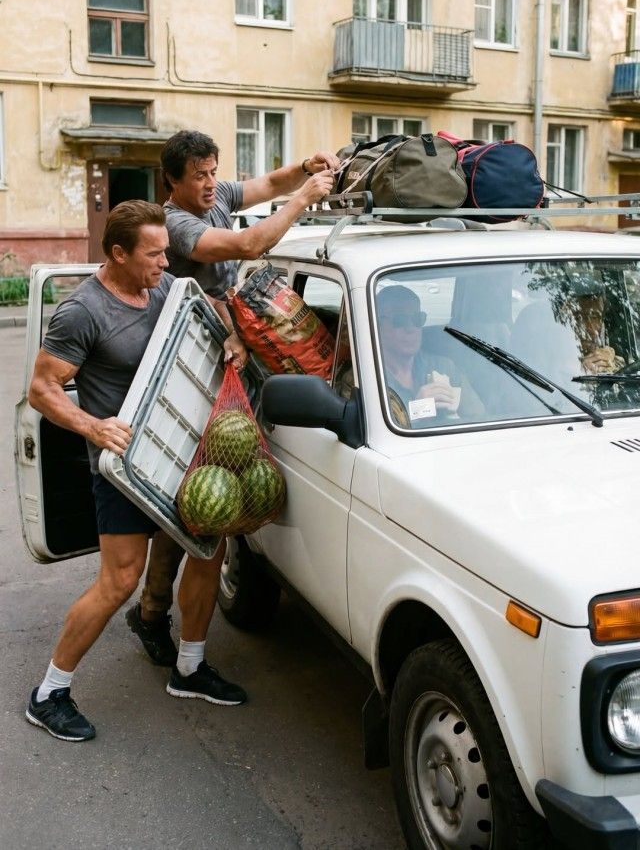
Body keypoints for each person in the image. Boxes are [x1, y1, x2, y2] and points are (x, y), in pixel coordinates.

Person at [25, 201, 246, 743]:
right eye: (153, 254)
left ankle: (190, 668)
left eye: (166, 252)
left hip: (179, 451)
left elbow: (205, 299)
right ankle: (49, 692)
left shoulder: (165, 288)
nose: (165, 264)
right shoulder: (83, 311)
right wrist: (93, 427)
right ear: (118, 253)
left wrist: (231, 335)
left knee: (206, 550)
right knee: (120, 579)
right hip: (125, 465)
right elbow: (43, 388)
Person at [125, 130, 340, 666]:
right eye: (198, 175)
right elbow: (249, 245)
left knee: (201, 499)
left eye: (213, 171)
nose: (209, 183)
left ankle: (162, 606)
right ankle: (152, 611)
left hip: (227, 356)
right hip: (190, 366)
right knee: (186, 502)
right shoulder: (174, 222)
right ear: (171, 181)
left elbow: (265, 182)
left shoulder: (215, 195)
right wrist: (304, 197)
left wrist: (301, 169)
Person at [376, 284, 483, 426]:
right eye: (400, 320)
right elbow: (373, 435)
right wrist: (418, 410)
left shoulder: (444, 367)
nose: (410, 328)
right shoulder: (367, 379)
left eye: (417, 319)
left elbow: (480, 417)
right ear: (378, 325)